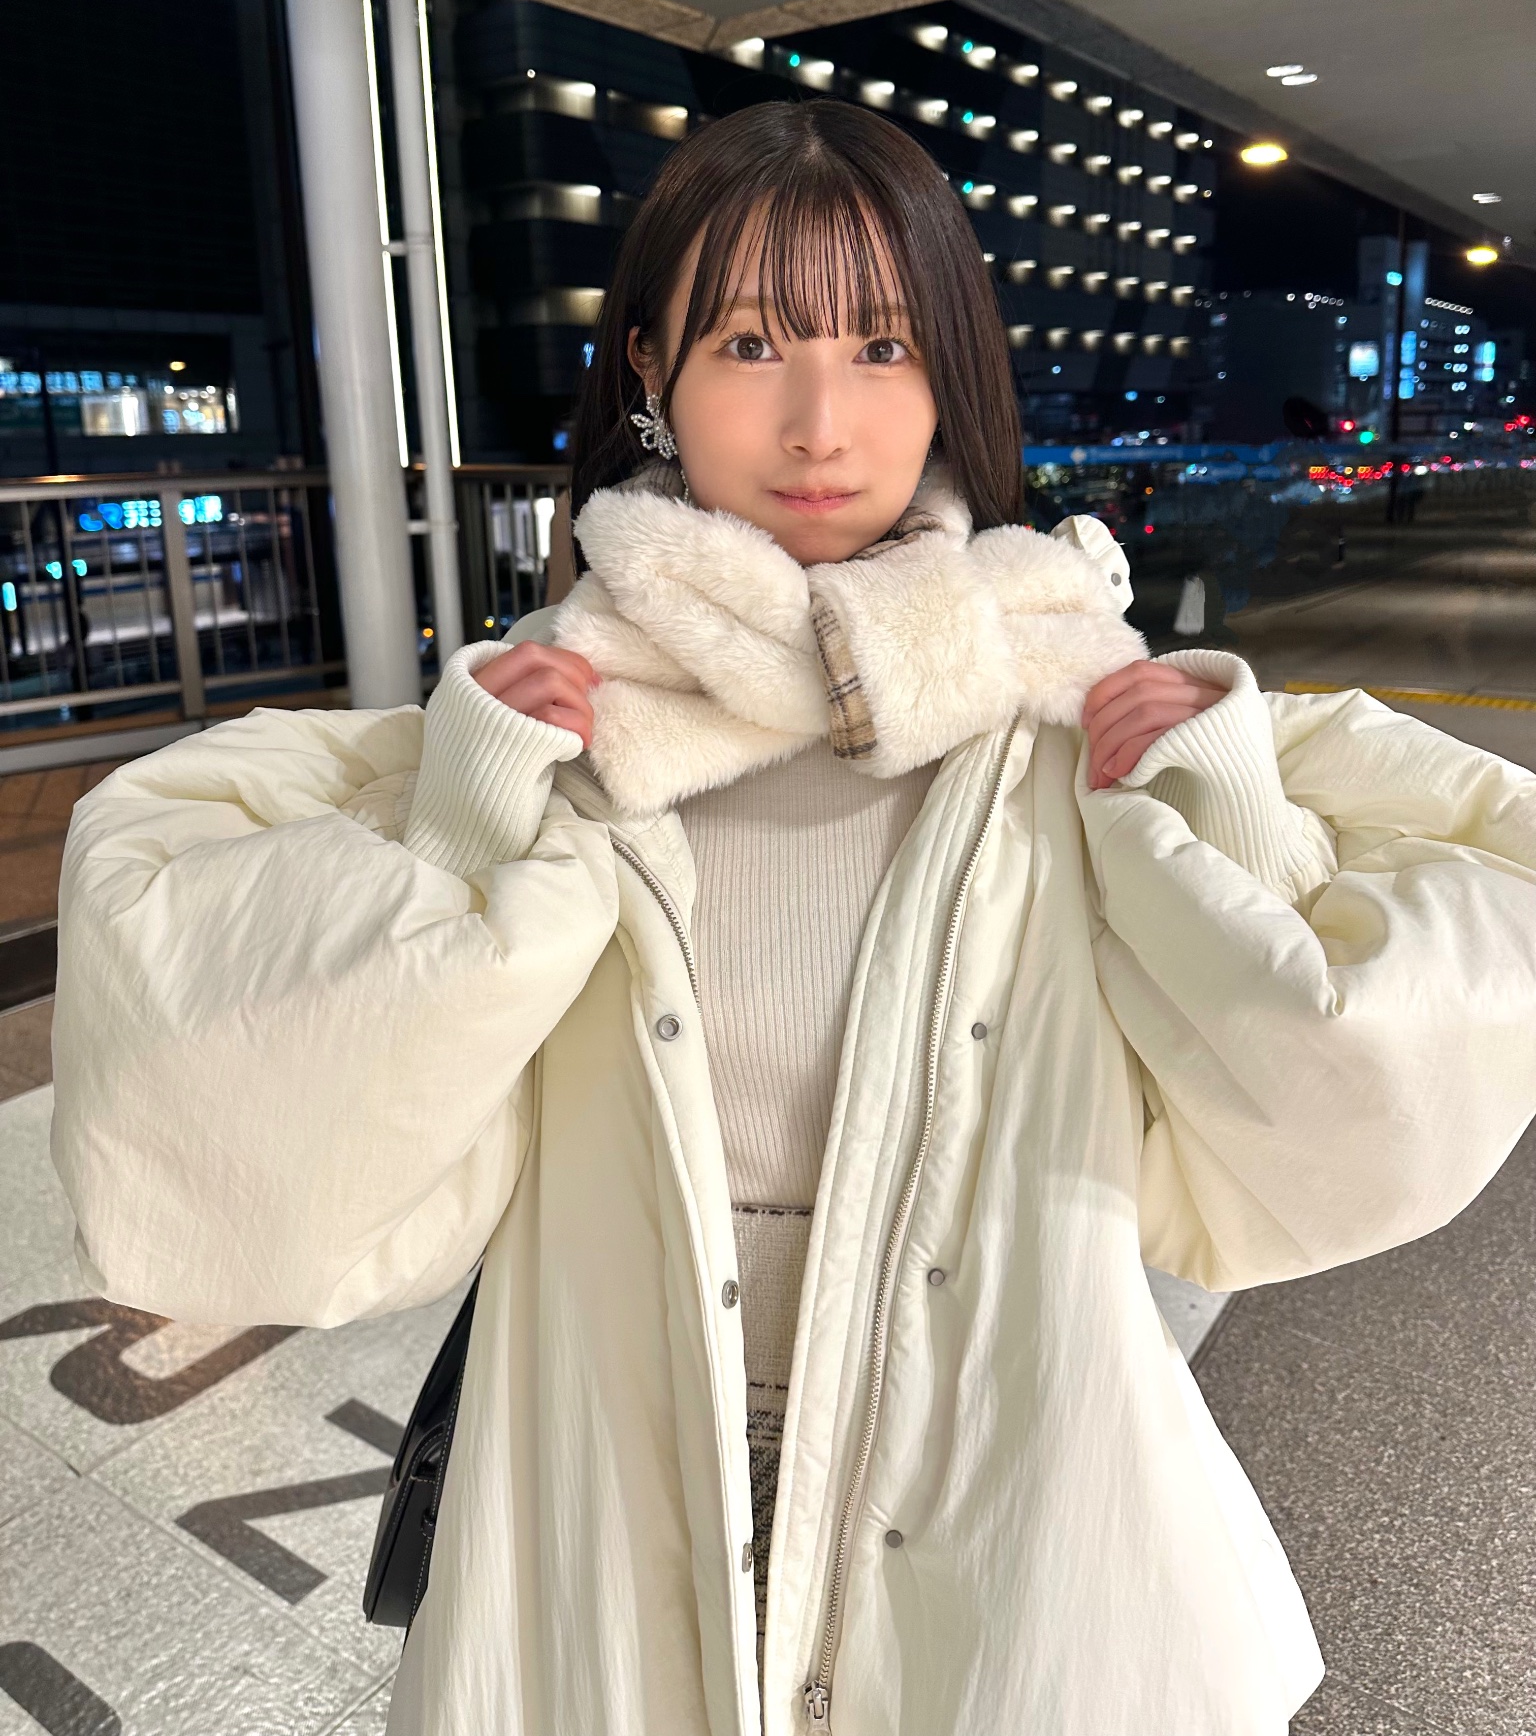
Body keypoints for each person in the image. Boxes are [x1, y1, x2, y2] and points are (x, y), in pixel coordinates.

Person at [50, 101, 1536, 1736]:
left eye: (883, 347)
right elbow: (296, 1137)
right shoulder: (554, 724)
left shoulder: (1062, 710)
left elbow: (1310, 1114)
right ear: (650, 369)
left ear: (951, 372)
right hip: (617, 1466)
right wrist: (466, 823)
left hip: (1000, 1476)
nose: (821, 422)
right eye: (752, 343)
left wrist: (1227, 801)